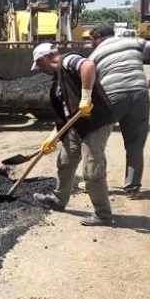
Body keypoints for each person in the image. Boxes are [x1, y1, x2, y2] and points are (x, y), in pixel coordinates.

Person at [30, 43, 116, 226]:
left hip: (95, 123)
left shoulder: (67, 61)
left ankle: (103, 214)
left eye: (39, 66)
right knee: (65, 161)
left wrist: (86, 97)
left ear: (43, 59)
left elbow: (88, 65)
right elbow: (63, 119)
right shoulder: (58, 83)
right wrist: (52, 138)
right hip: (77, 126)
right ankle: (59, 200)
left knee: (92, 171)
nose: (40, 71)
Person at [88, 24, 150, 198]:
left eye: (90, 40)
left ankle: (97, 182)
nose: (90, 44)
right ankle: (132, 188)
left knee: (96, 140)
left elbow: (91, 81)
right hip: (140, 95)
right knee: (135, 144)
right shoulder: (133, 42)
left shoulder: (94, 55)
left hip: (113, 97)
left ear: (96, 38)